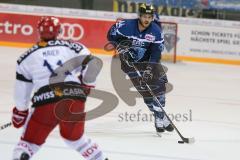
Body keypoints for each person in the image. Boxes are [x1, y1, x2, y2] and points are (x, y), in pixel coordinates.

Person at [11, 16, 107, 160]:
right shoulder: (71, 46)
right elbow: (94, 64)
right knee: (75, 139)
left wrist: (20, 112)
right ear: (59, 31)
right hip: (74, 96)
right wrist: (87, 84)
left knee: (28, 144)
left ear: (38, 32)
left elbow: (21, 92)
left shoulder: (25, 58)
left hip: (46, 100)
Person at [107, 3, 174, 134]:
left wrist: (149, 69)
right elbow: (111, 34)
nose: (147, 19)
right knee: (146, 93)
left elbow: (155, 53)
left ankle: (160, 116)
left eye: (150, 17)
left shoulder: (156, 31)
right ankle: (159, 117)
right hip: (129, 64)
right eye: (144, 16)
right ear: (139, 16)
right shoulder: (126, 25)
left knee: (159, 87)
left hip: (148, 62)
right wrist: (119, 45)